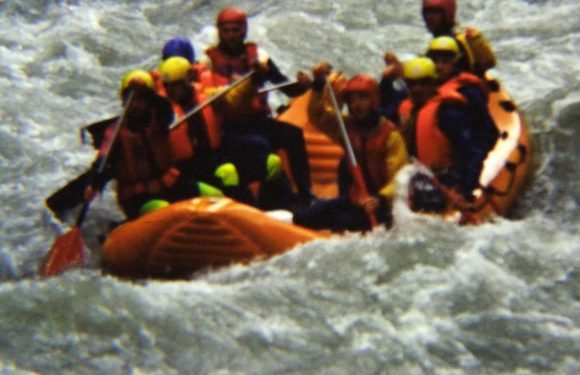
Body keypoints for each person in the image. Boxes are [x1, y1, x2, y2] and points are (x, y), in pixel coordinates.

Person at [202, 6, 316, 207]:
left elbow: (288, 88)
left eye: (235, 30)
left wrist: (303, 84)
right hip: (228, 128)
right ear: (218, 31)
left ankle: (306, 195)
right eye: (225, 30)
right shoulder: (207, 60)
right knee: (260, 144)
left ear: (244, 30)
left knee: (293, 135)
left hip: (257, 121)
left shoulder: (259, 56)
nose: (230, 36)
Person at [83, 69, 224, 219]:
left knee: (215, 195)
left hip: (169, 184)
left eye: (140, 99)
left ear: (149, 101)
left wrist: (145, 88)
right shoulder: (114, 132)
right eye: (131, 100)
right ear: (123, 101)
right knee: (163, 209)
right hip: (137, 197)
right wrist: (93, 184)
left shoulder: (160, 118)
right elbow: (102, 162)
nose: (135, 105)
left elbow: (165, 108)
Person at [158, 56, 288, 207]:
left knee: (272, 163)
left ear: (190, 78)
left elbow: (236, 96)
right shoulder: (161, 110)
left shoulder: (209, 96)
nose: (171, 91)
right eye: (167, 86)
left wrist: (254, 79)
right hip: (189, 168)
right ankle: (240, 213)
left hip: (215, 157)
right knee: (228, 172)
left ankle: (275, 207)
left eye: (176, 85)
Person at [293, 64, 409, 232]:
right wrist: (317, 85)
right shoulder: (347, 127)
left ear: (374, 101)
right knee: (302, 218)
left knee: (341, 222)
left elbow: (399, 179)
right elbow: (319, 117)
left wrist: (380, 199)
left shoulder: (390, 135)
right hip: (357, 200)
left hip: (383, 206)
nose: (356, 105)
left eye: (362, 98)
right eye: (352, 100)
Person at [398, 57, 494, 205]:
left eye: (423, 83)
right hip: (417, 176)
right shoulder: (406, 109)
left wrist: (464, 191)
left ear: (433, 83)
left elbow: (471, 154)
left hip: (447, 178)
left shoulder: (448, 112)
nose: (417, 89)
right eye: (412, 84)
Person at [426, 36, 498, 153]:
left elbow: (488, 132)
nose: (439, 66)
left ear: (455, 63)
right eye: (435, 61)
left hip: (462, 157)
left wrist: (473, 162)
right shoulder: (423, 89)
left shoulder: (469, 92)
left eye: (445, 61)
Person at [421, 0, 496, 77]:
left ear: (448, 14)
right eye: (426, 13)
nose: (429, 18)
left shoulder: (453, 42)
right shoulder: (453, 35)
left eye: (436, 13)